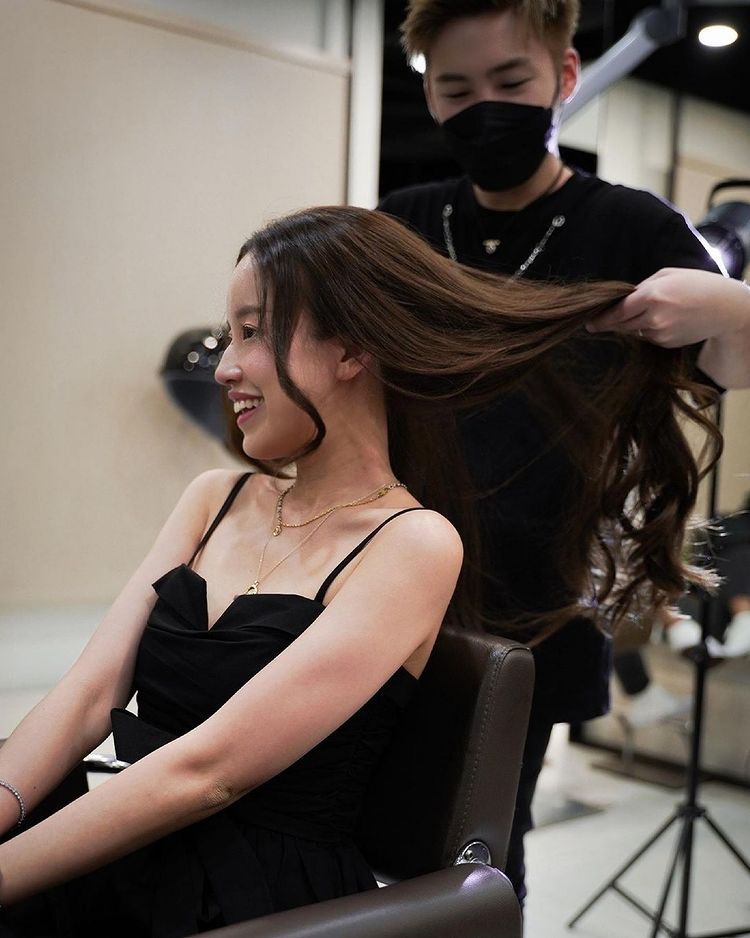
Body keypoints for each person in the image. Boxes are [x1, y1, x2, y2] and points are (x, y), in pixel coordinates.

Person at [0, 206, 724, 936]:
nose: (223, 366)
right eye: (230, 334)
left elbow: (208, 775)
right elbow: (89, 696)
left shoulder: (413, 544)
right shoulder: (212, 499)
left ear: (350, 350)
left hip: (250, 901)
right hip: (135, 843)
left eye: (253, 332)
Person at [379, 0, 750, 907]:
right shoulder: (404, 225)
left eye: (510, 83)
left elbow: (728, 368)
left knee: (485, 841)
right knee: (367, 818)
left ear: (566, 76)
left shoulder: (627, 228)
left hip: (535, 599)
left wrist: (734, 307)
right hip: (389, 580)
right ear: (426, 93)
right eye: (456, 89)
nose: (485, 109)